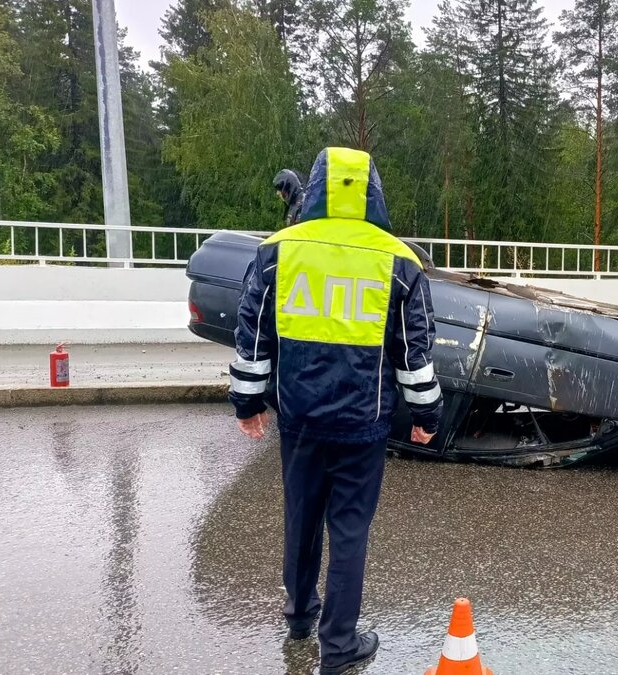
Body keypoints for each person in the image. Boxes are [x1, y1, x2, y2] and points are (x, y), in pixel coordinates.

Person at [230, 147, 442, 673]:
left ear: (319, 187)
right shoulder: (400, 261)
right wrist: (426, 415)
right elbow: (414, 351)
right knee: (348, 527)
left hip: (299, 418)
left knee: (301, 516)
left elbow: (252, 332)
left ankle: (299, 615)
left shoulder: (278, 251)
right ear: (372, 192)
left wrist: (247, 402)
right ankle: (339, 646)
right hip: (362, 423)